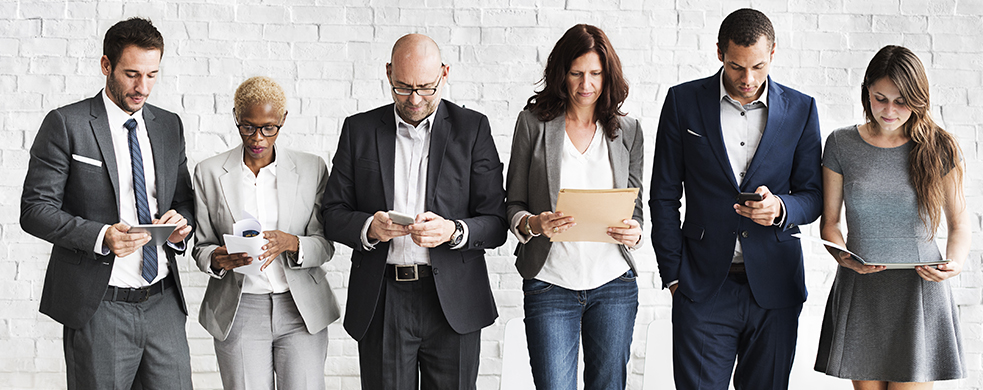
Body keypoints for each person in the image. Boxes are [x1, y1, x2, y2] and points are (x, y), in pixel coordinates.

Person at [320, 34, 507, 390]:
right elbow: (332, 213)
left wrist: (453, 231)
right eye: (403, 88)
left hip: (454, 300)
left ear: (445, 74)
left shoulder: (473, 129)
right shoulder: (358, 129)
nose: (415, 99)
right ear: (388, 73)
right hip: (383, 299)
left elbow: (496, 222)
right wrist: (369, 228)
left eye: (426, 87)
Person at [649, 8, 823, 390]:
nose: (747, 79)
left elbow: (813, 196)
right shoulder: (683, 102)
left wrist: (780, 208)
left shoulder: (801, 109)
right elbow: (663, 195)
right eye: (736, 67)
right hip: (702, 286)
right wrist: (674, 275)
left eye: (758, 66)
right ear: (718, 53)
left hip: (775, 289)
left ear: (773, 52)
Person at [20, 17, 195, 389]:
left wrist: (182, 225)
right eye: (132, 74)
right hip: (100, 305)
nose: (142, 87)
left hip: (163, 303)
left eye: (152, 75)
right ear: (106, 66)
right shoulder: (67, 123)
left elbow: (184, 200)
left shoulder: (169, 125)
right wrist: (101, 236)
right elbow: (35, 210)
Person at [814, 45, 969, 389]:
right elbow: (830, 223)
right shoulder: (840, 144)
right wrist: (844, 257)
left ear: (917, 99)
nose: (889, 110)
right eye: (880, 98)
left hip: (919, 291)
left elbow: (959, 225)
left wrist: (954, 263)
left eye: (901, 101)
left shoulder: (939, 146)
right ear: (866, 91)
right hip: (861, 287)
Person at [506, 24, 643, 390]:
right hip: (551, 283)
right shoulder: (533, 124)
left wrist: (636, 231)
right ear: (561, 73)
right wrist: (535, 224)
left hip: (613, 282)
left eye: (596, 74)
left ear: (607, 75)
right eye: (576, 73)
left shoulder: (627, 130)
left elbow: (637, 205)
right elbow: (513, 203)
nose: (586, 84)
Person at [192, 76, 341, 390]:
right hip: (240, 309)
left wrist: (293, 243)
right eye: (248, 126)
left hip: (300, 309)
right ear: (236, 117)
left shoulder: (312, 168)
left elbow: (326, 245)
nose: (257, 137)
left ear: (283, 120)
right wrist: (218, 259)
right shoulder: (208, 173)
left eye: (268, 127)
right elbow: (202, 246)